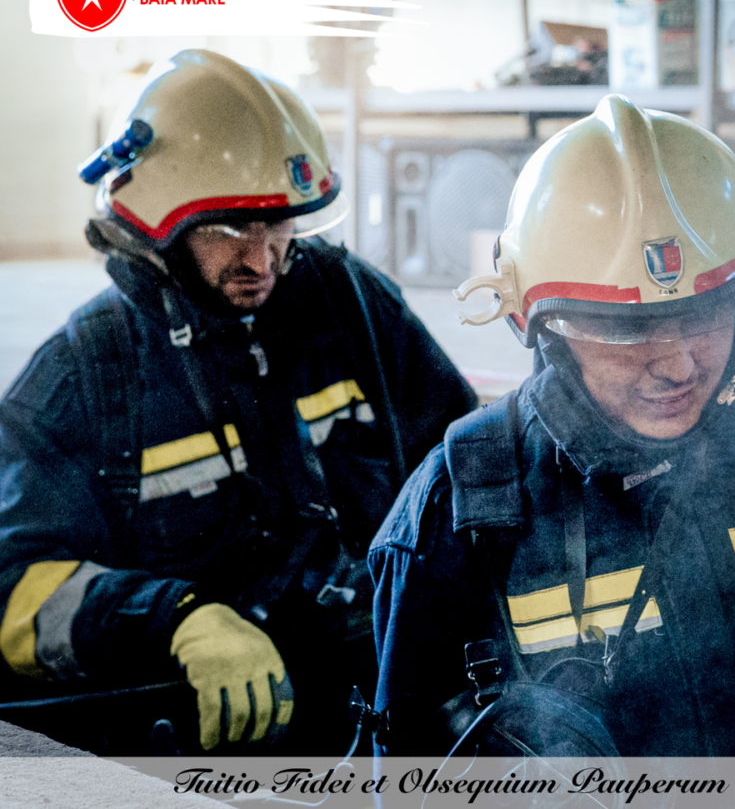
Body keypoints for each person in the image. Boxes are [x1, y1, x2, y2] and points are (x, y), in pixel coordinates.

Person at [369, 94, 735, 758]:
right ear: (540, 323)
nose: (677, 366)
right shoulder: (460, 522)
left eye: (706, 314)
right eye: (630, 330)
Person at [0, 49, 476, 755]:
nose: (261, 260)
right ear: (158, 230)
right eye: (228, 229)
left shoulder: (351, 307)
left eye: (279, 225)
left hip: (386, 699)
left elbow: (466, 465)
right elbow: (14, 590)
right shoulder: (83, 375)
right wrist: (178, 619)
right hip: (211, 745)